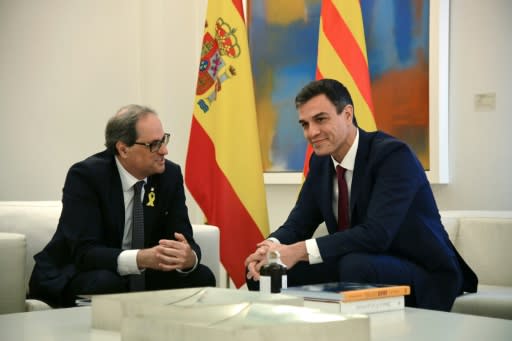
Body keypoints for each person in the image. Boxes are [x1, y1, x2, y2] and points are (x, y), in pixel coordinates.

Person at [245, 79, 477, 311]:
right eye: (305, 124)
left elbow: (376, 234)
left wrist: (297, 251)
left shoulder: (393, 155)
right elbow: (299, 222)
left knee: (356, 266)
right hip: (357, 262)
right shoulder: (320, 162)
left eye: (320, 119)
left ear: (347, 114)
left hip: (423, 269)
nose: (312, 132)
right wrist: (269, 248)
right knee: (262, 272)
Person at [29, 104, 215, 307]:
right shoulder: (86, 176)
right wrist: (140, 258)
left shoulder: (169, 176)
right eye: (154, 144)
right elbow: (85, 253)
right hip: (82, 271)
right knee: (106, 283)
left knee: (202, 276)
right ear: (123, 149)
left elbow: (183, 238)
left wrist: (188, 259)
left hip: (142, 274)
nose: (164, 150)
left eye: (164, 140)